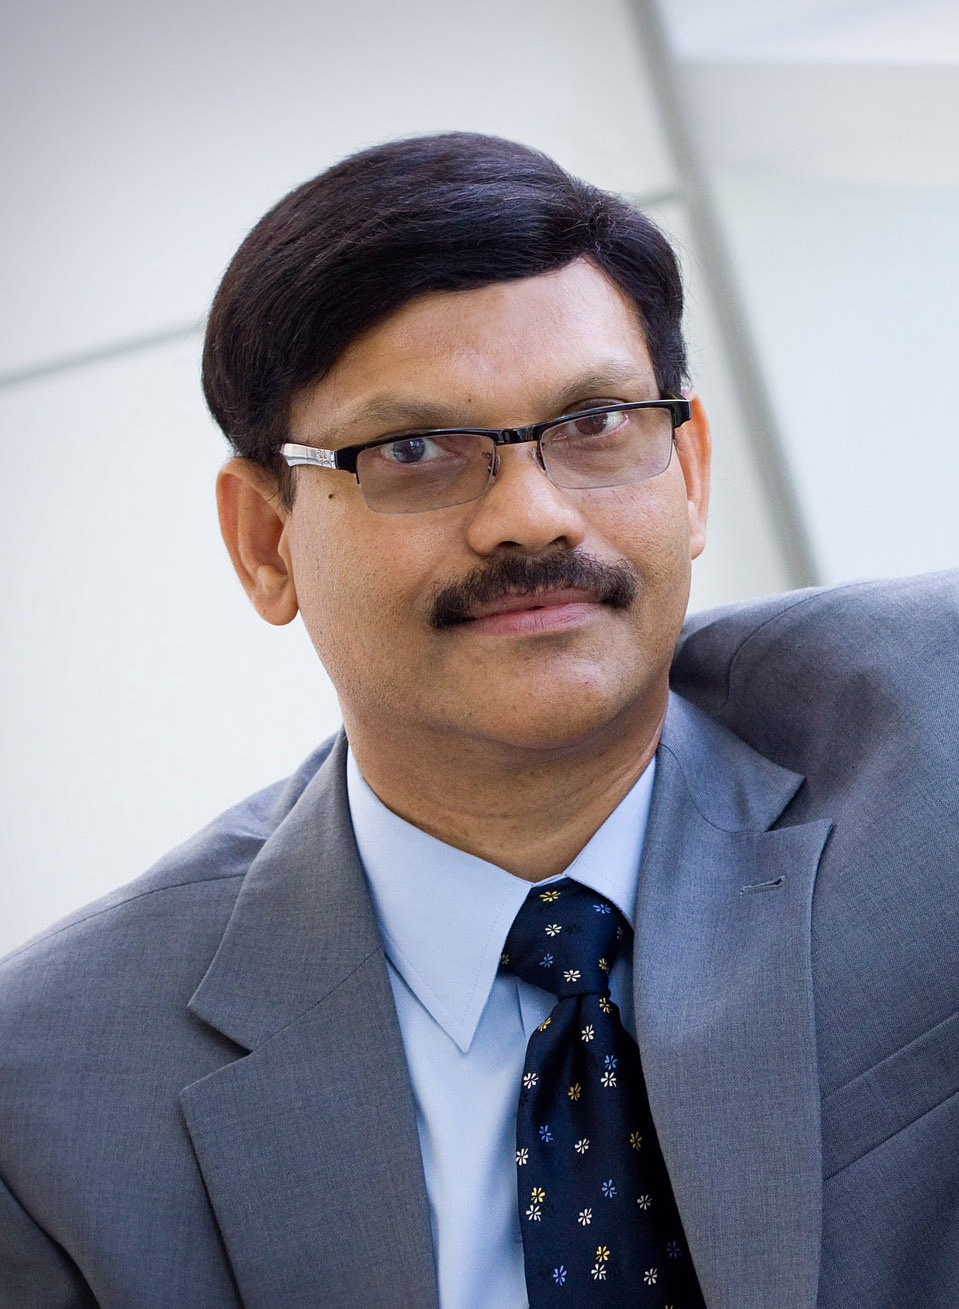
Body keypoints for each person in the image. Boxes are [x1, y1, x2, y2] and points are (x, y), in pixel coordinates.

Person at [0, 133, 956, 1309]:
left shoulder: (936, 732)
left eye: (595, 423)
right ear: (266, 544)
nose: (531, 515)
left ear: (690, 470)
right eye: (412, 451)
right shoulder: (48, 1105)